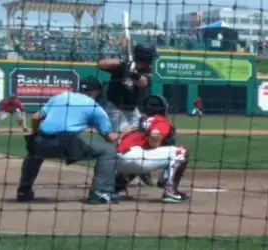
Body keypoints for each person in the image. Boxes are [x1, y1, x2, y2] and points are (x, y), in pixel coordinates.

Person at [16, 77, 124, 204]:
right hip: (64, 144)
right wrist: (125, 131)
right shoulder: (94, 107)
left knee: (33, 152)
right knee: (108, 151)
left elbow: (36, 117)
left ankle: (23, 191)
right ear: (96, 92)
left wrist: (35, 136)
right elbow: (110, 138)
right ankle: (101, 192)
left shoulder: (60, 97)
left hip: (42, 141)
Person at [97, 43, 157, 186]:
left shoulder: (146, 70)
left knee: (144, 135)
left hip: (132, 109)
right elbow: (100, 64)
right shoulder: (122, 67)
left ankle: (141, 170)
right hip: (115, 108)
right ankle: (114, 175)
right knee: (123, 139)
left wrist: (133, 74)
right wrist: (122, 65)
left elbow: (143, 83)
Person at [114, 95, 189, 203]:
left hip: (117, 161)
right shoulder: (160, 120)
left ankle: (117, 187)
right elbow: (155, 135)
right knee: (181, 151)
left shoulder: (137, 122)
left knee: (134, 156)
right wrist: (153, 142)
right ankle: (171, 190)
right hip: (137, 159)